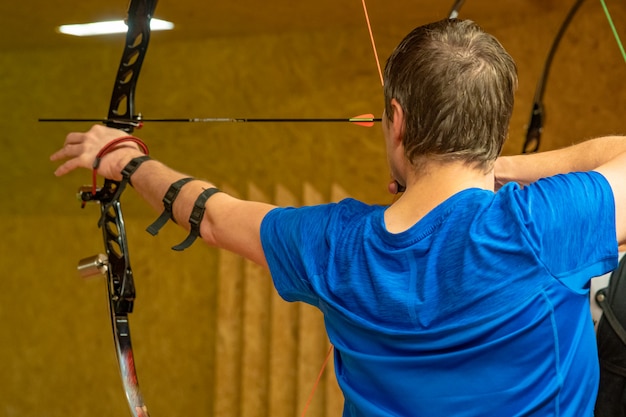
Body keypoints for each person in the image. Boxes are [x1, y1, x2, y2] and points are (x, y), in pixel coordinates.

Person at [51, 18, 626, 416]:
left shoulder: (335, 245)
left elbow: (210, 215)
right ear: (493, 126)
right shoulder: (545, 225)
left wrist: (124, 159)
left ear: (396, 122)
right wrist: (493, 166)